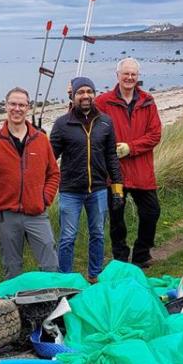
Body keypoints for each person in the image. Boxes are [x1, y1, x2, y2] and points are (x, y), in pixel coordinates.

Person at [0, 87, 60, 279]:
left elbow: (53, 173)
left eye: (21, 105)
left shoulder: (41, 139)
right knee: (12, 268)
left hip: (37, 213)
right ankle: (15, 307)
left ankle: (53, 304)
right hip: (7, 215)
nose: (17, 108)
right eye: (13, 104)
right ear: (6, 106)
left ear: (28, 108)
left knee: (51, 265)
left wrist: (44, 198)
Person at [48, 77, 124, 283]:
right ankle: (65, 280)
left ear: (94, 94)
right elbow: (49, 158)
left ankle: (94, 275)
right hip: (70, 191)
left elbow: (112, 157)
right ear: (72, 97)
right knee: (67, 238)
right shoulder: (63, 124)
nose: (86, 96)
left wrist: (117, 190)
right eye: (80, 92)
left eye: (89, 91)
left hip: (98, 189)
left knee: (98, 233)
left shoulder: (106, 122)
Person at [95, 57, 163, 267]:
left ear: (138, 77)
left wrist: (130, 148)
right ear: (118, 75)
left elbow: (155, 134)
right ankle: (121, 258)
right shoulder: (103, 102)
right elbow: (85, 120)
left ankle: (142, 253)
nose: (129, 77)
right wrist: (73, 94)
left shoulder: (148, 101)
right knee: (116, 217)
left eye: (133, 74)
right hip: (114, 173)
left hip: (142, 170)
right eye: (126, 73)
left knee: (152, 212)